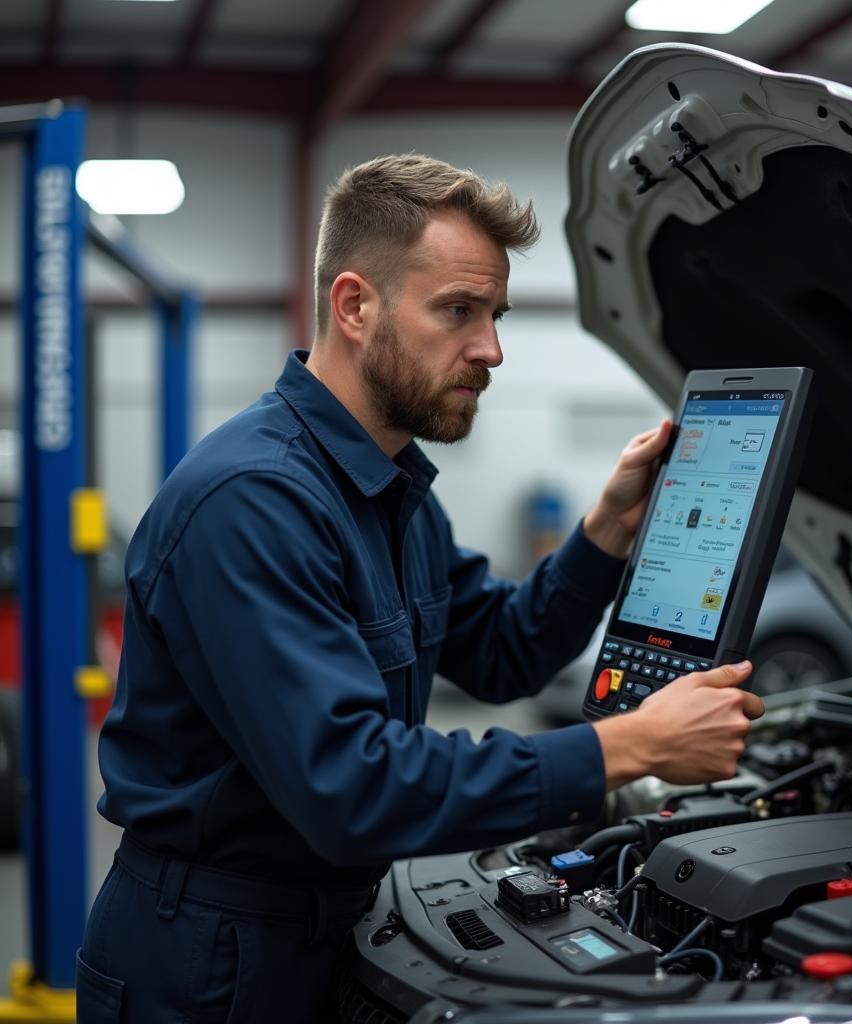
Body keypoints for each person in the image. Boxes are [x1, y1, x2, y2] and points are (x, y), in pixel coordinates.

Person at [77, 154, 763, 1022]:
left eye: (497, 314)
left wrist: (603, 535)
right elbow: (353, 789)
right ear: (355, 305)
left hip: (325, 921)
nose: (493, 349)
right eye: (458, 312)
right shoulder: (254, 501)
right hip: (213, 959)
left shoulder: (387, 487)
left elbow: (504, 650)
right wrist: (631, 747)